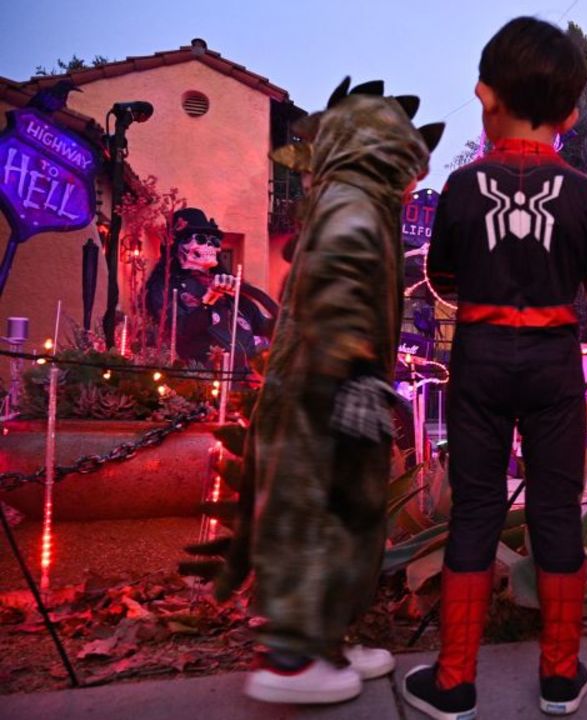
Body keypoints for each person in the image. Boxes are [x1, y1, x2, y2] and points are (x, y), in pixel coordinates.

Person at [403, 17, 587, 719]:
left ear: (486, 95)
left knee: (475, 508)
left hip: (481, 357)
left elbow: (441, 275)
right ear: (571, 113)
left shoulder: (463, 190)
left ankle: (454, 681)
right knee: (558, 509)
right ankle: (559, 677)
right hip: (555, 360)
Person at [241, 78, 442, 704]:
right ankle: (292, 661)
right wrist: (352, 380)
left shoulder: (353, 206)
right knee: (315, 511)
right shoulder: (354, 210)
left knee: (351, 515)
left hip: (335, 386)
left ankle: (328, 638)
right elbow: (339, 298)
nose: (412, 182)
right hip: (323, 394)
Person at [143, 207, 274, 367]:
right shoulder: (166, 287)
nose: (209, 246)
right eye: (200, 239)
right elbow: (181, 331)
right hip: (200, 381)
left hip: (245, 381)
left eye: (214, 241)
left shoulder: (228, 288)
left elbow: (264, 326)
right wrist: (208, 301)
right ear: (178, 245)